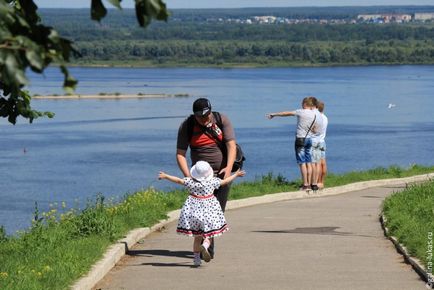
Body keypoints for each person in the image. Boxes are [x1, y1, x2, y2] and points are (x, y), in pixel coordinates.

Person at [176, 97, 237, 259]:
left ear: (211, 111)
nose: (204, 119)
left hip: (221, 174)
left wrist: (229, 169)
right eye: (200, 117)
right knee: (202, 215)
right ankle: (207, 251)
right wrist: (188, 177)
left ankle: (206, 248)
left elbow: (231, 145)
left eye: (206, 116)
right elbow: (180, 154)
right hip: (199, 180)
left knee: (216, 213)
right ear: (194, 115)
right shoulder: (187, 125)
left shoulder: (221, 119)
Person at [158, 161, 245, 267]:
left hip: (193, 211)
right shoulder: (212, 182)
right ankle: (205, 244)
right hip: (209, 212)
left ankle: (196, 259)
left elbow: (178, 180)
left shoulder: (190, 182)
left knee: (197, 237)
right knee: (209, 235)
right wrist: (235, 174)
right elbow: (225, 182)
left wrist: (165, 176)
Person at [266, 96, 322, 191]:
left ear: (304, 104)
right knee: (309, 162)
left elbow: (286, 113)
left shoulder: (301, 112)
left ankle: (305, 184)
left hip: (300, 139)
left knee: (302, 163)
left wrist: (274, 114)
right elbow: (315, 129)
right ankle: (312, 183)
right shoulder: (315, 114)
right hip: (309, 140)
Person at [315, 101, 328, 189]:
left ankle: (317, 182)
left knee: (318, 164)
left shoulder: (317, 118)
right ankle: (322, 182)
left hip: (316, 142)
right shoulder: (325, 117)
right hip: (322, 142)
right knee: (323, 163)